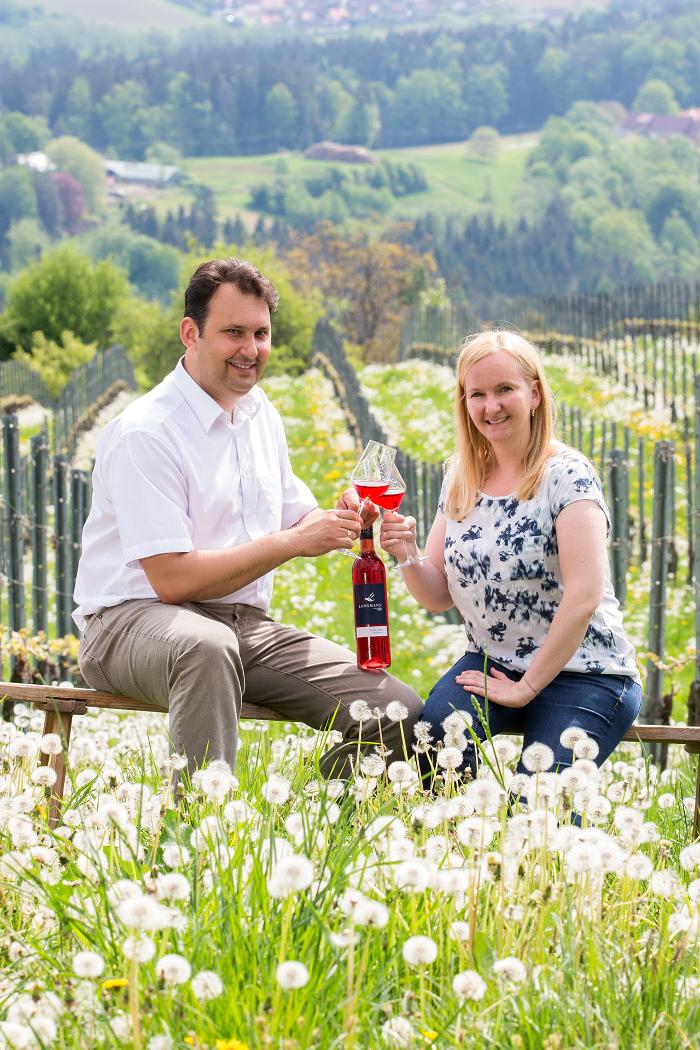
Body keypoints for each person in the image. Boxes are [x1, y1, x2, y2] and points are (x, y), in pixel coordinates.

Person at [73, 257, 421, 779]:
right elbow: (171, 580)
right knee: (205, 647)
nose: (251, 350)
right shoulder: (147, 432)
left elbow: (292, 510)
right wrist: (293, 542)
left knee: (397, 712)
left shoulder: (260, 413)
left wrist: (348, 517)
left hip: (242, 626)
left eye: (261, 333)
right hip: (128, 624)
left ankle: (317, 828)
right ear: (190, 333)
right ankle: (197, 834)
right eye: (233, 332)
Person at [380, 329, 641, 784]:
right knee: (432, 745)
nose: (490, 406)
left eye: (505, 390)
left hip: (586, 671)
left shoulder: (568, 477)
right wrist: (407, 554)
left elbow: (584, 595)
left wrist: (527, 687)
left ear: (534, 393)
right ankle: (464, 837)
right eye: (476, 394)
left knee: (539, 804)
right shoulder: (461, 477)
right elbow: (438, 595)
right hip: (493, 661)